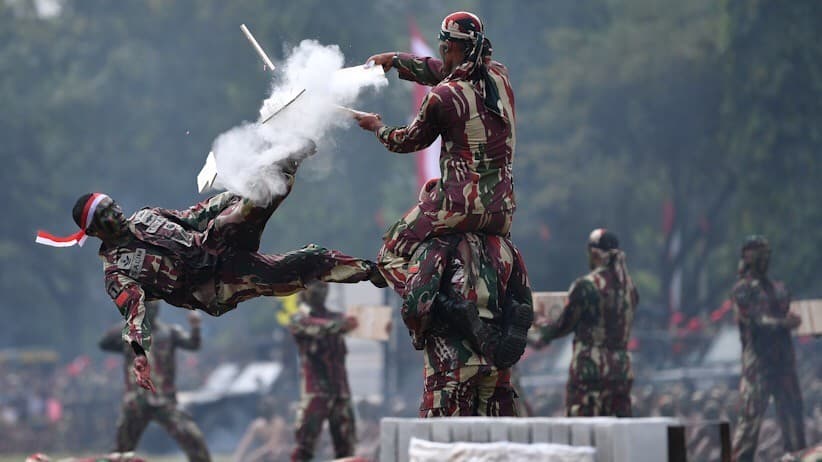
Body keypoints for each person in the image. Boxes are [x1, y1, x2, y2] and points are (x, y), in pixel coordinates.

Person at [36, 141, 385, 391]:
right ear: (95, 231)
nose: (116, 213)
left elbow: (195, 215)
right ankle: (370, 272)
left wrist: (235, 193)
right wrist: (140, 355)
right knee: (306, 262)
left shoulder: (146, 216)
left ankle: (291, 155)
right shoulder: (116, 270)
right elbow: (134, 312)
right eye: (106, 215)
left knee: (244, 209)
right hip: (215, 286)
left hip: (214, 245)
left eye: (112, 205)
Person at [356, 11, 517, 296]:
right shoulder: (499, 75)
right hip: (502, 210)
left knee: (389, 255)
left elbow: (407, 141)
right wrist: (395, 60)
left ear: (449, 47)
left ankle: (437, 300)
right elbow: (448, 70)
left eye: (443, 49)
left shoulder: (443, 97)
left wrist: (377, 127)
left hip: (457, 206)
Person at [402, 233, 532, 417]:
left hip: (450, 363)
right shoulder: (507, 248)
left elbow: (416, 308)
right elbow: (525, 302)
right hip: (496, 362)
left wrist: (419, 335)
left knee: (446, 441)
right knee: (496, 439)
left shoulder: (439, 245)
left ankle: (461, 312)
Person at [533, 229, 639, 417]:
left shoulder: (586, 286)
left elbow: (563, 326)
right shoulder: (630, 289)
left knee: (583, 429)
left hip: (590, 369)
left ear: (594, 253)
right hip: (621, 370)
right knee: (618, 432)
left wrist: (541, 325)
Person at [99, 302, 210, 462]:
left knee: (192, 436)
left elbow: (193, 344)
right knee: (122, 450)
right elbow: (104, 342)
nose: (150, 310)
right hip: (136, 400)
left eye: (153, 306)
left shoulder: (169, 332)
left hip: (164, 399)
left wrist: (195, 326)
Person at [730, 235, 806, 461]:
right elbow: (754, 320)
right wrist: (784, 323)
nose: (764, 259)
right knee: (749, 428)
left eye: (766, 253)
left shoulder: (780, 289)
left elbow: (790, 313)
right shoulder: (742, 289)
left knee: (794, 424)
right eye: (758, 253)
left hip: (784, 365)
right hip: (759, 367)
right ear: (747, 256)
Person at [288, 282, 357, 461]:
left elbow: (358, 323)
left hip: (340, 392)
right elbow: (318, 326)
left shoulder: (336, 316)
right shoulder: (299, 319)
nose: (321, 290)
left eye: (324, 285)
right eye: (316, 285)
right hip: (315, 392)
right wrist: (341, 324)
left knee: (346, 449)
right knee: (304, 447)